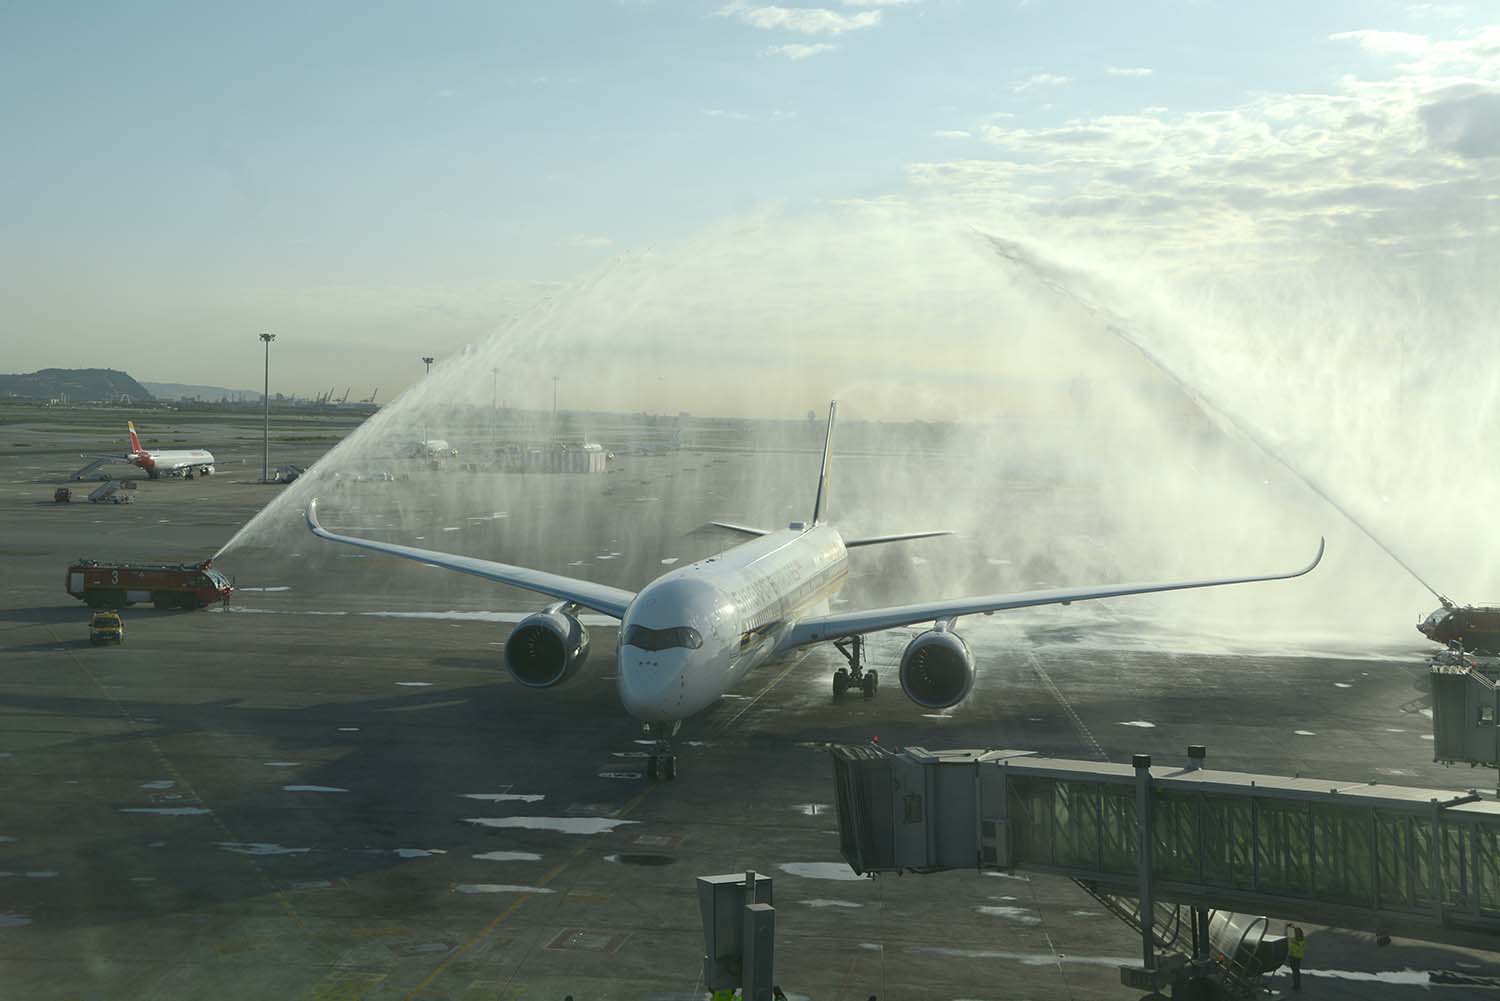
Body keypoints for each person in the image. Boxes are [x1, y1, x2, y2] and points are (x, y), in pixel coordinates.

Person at [1286, 924, 1306, 991]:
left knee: (1296, 972)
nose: (1296, 933)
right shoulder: (1294, 938)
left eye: (1297, 932)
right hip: (1292, 957)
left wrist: (1291, 928)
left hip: (1296, 958)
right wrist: (1290, 927)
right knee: (1295, 971)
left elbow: (1297, 946)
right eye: (1295, 932)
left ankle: (1297, 986)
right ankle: (1296, 985)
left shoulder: (1301, 941)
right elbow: (1289, 934)